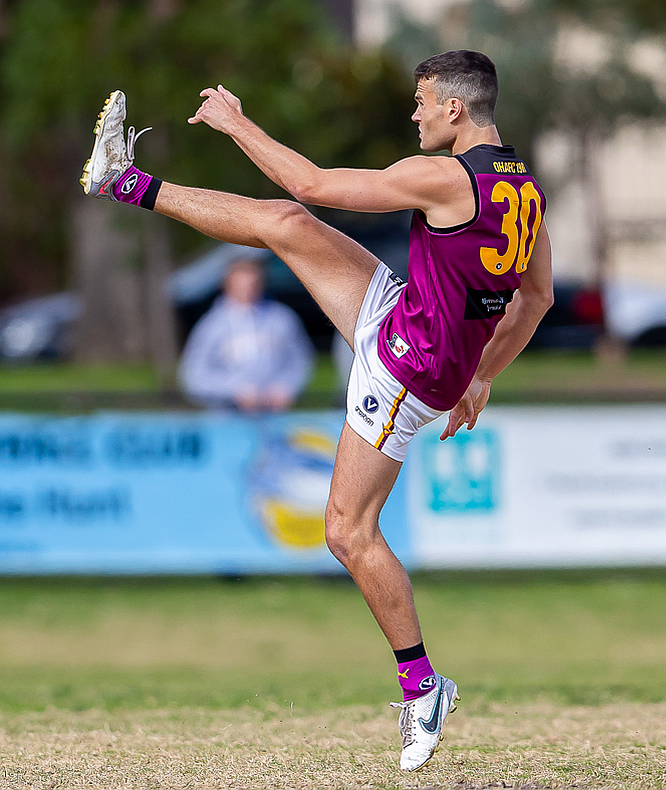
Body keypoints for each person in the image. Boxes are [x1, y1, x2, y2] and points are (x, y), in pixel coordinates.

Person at [80, 50, 554, 770]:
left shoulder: (441, 177)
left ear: (456, 110)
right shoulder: (523, 188)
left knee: (345, 531)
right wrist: (482, 375)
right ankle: (124, 179)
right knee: (287, 222)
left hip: (404, 371)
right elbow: (536, 297)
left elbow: (314, 177)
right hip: (409, 324)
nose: (417, 112)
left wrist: (237, 124)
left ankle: (423, 688)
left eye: (424, 101)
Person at [177, 255, 315, 412]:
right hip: (227, 418)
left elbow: (301, 360)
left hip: (275, 416)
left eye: (254, 283)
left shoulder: (282, 318)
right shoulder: (211, 325)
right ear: (227, 283)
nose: (249, 290)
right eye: (242, 284)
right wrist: (233, 391)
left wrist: (287, 386)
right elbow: (193, 378)